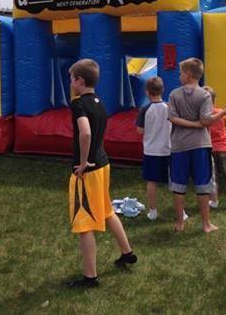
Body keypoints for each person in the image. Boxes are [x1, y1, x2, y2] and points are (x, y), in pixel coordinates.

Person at [67, 59, 136, 289]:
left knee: (84, 223)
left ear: (80, 80)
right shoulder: (99, 102)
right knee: (106, 211)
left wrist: (84, 162)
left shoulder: (79, 104)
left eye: (71, 78)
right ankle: (127, 253)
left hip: (88, 170)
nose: (70, 83)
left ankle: (90, 277)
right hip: (104, 165)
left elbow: (85, 133)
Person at [168, 58, 226, 233]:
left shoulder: (174, 94)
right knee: (202, 185)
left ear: (188, 74)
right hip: (200, 145)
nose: (179, 76)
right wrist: (225, 111)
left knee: (178, 185)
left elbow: (173, 118)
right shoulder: (204, 95)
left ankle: (180, 222)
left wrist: (196, 123)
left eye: (180, 73)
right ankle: (206, 224)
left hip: (179, 145)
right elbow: (206, 121)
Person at [134, 76, 171, 221]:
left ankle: (153, 210)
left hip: (151, 150)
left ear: (147, 92)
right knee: (175, 181)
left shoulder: (145, 109)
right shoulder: (168, 107)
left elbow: (140, 131)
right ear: (162, 90)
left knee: (151, 181)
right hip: (167, 149)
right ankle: (182, 211)